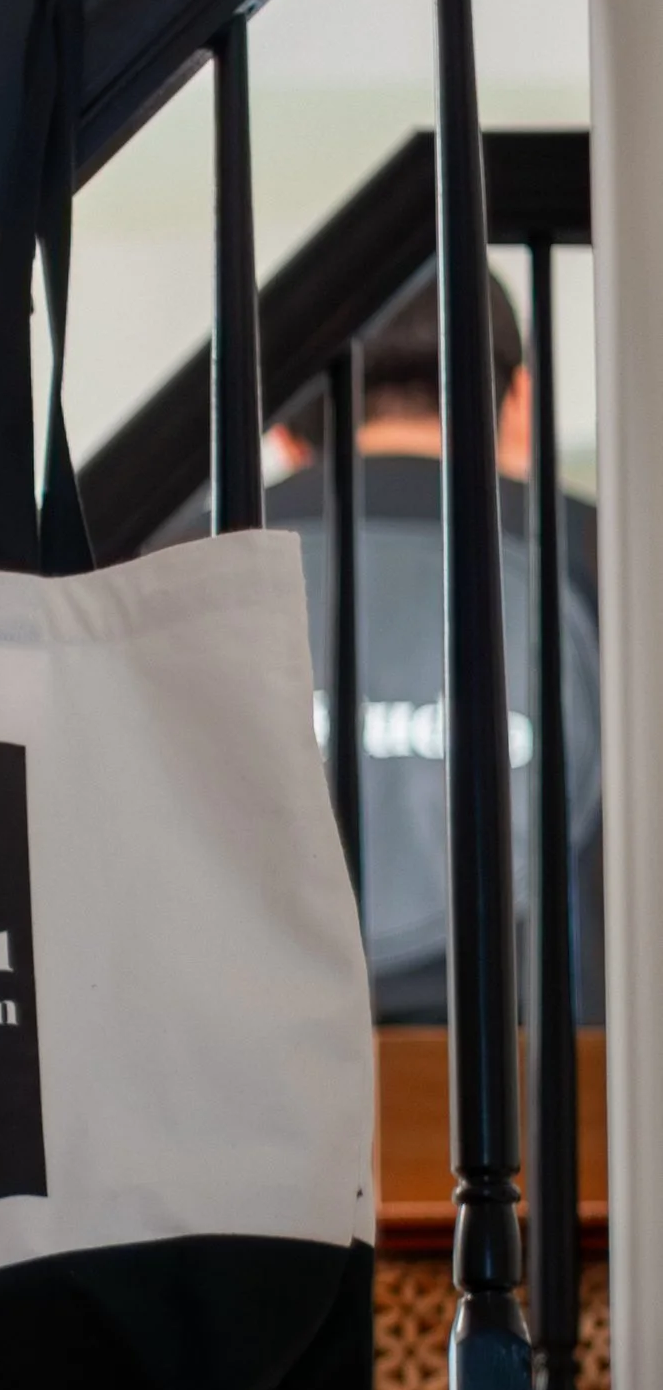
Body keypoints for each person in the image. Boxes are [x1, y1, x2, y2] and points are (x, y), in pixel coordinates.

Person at [264, 272, 603, 1028]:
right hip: (558, 1060)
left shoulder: (184, 557)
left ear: (282, 430)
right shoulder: (606, 554)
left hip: (247, 1057)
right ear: (519, 404)